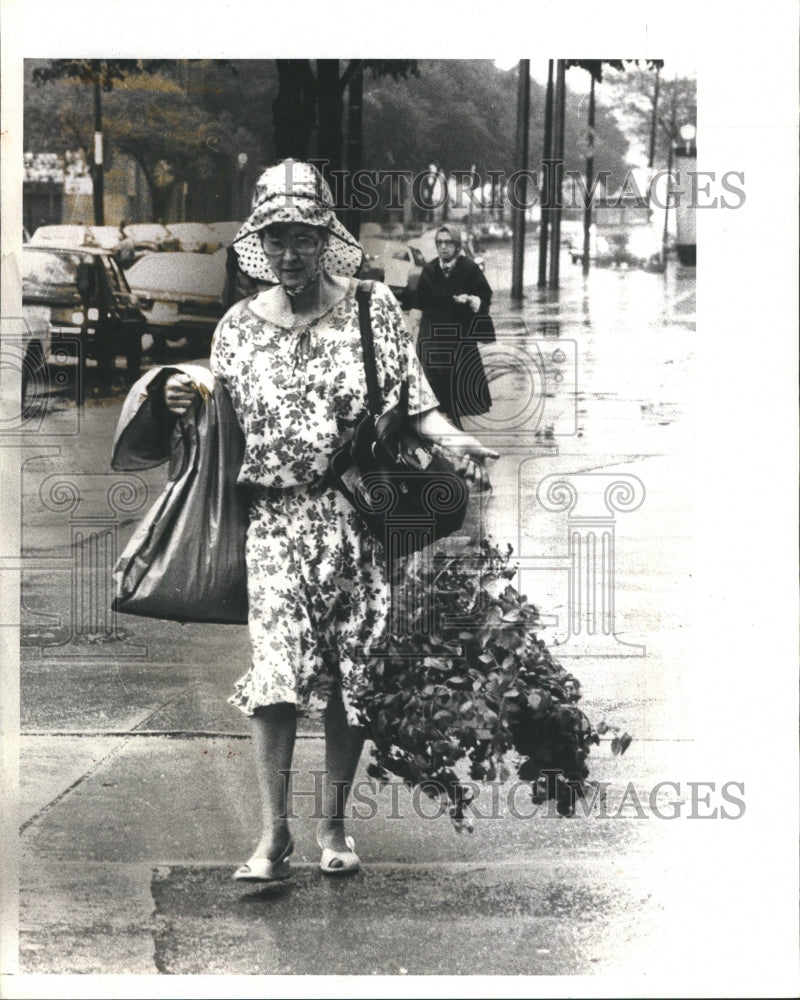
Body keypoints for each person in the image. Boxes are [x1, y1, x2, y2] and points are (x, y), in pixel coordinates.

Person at [164, 160, 497, 883]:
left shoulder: (373, 308)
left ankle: (334, 823)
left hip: (357, 519)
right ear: (260, 242)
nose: (290, 254)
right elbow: (212, 428)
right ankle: (271, 832)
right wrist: (186, 406)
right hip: (275, 524)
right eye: (276, 238)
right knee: (276, 672)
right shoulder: (236, 330)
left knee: (356, 673)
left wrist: (458, 442)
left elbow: (416, 401)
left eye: (303, 238)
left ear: (326, 237)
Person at [415, 223, 495, 427]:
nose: (443, 247)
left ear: (457, 245)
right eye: (439, 242)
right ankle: (447, 425)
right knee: (434, 384)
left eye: (448, 242)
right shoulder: (430, 269)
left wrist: (469, 299)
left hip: (458, 337)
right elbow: (418, 301)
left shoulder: (468, 268)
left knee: (457, 383)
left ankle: (454, 424)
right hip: (433, 337)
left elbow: (485, 296)